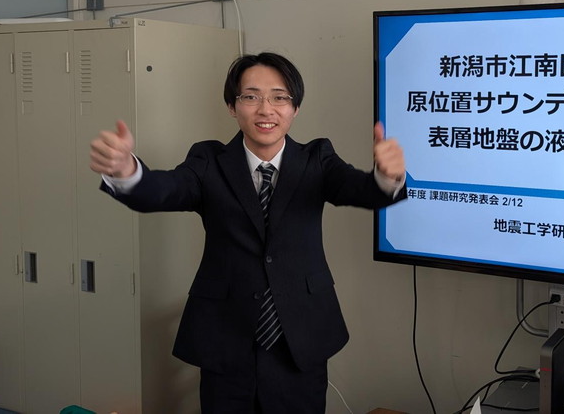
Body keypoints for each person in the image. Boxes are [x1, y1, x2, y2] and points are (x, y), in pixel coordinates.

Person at [89, 52, 407, 413]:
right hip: (226, 338)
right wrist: (126, 171)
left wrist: (386, 177)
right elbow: (164, 189)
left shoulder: (317, 159)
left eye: (279, 97)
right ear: (232, 106)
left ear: (295, 108)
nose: (265, 109)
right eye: (251, 96)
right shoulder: (208, 161)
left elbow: (359, 189)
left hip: (300, 338)